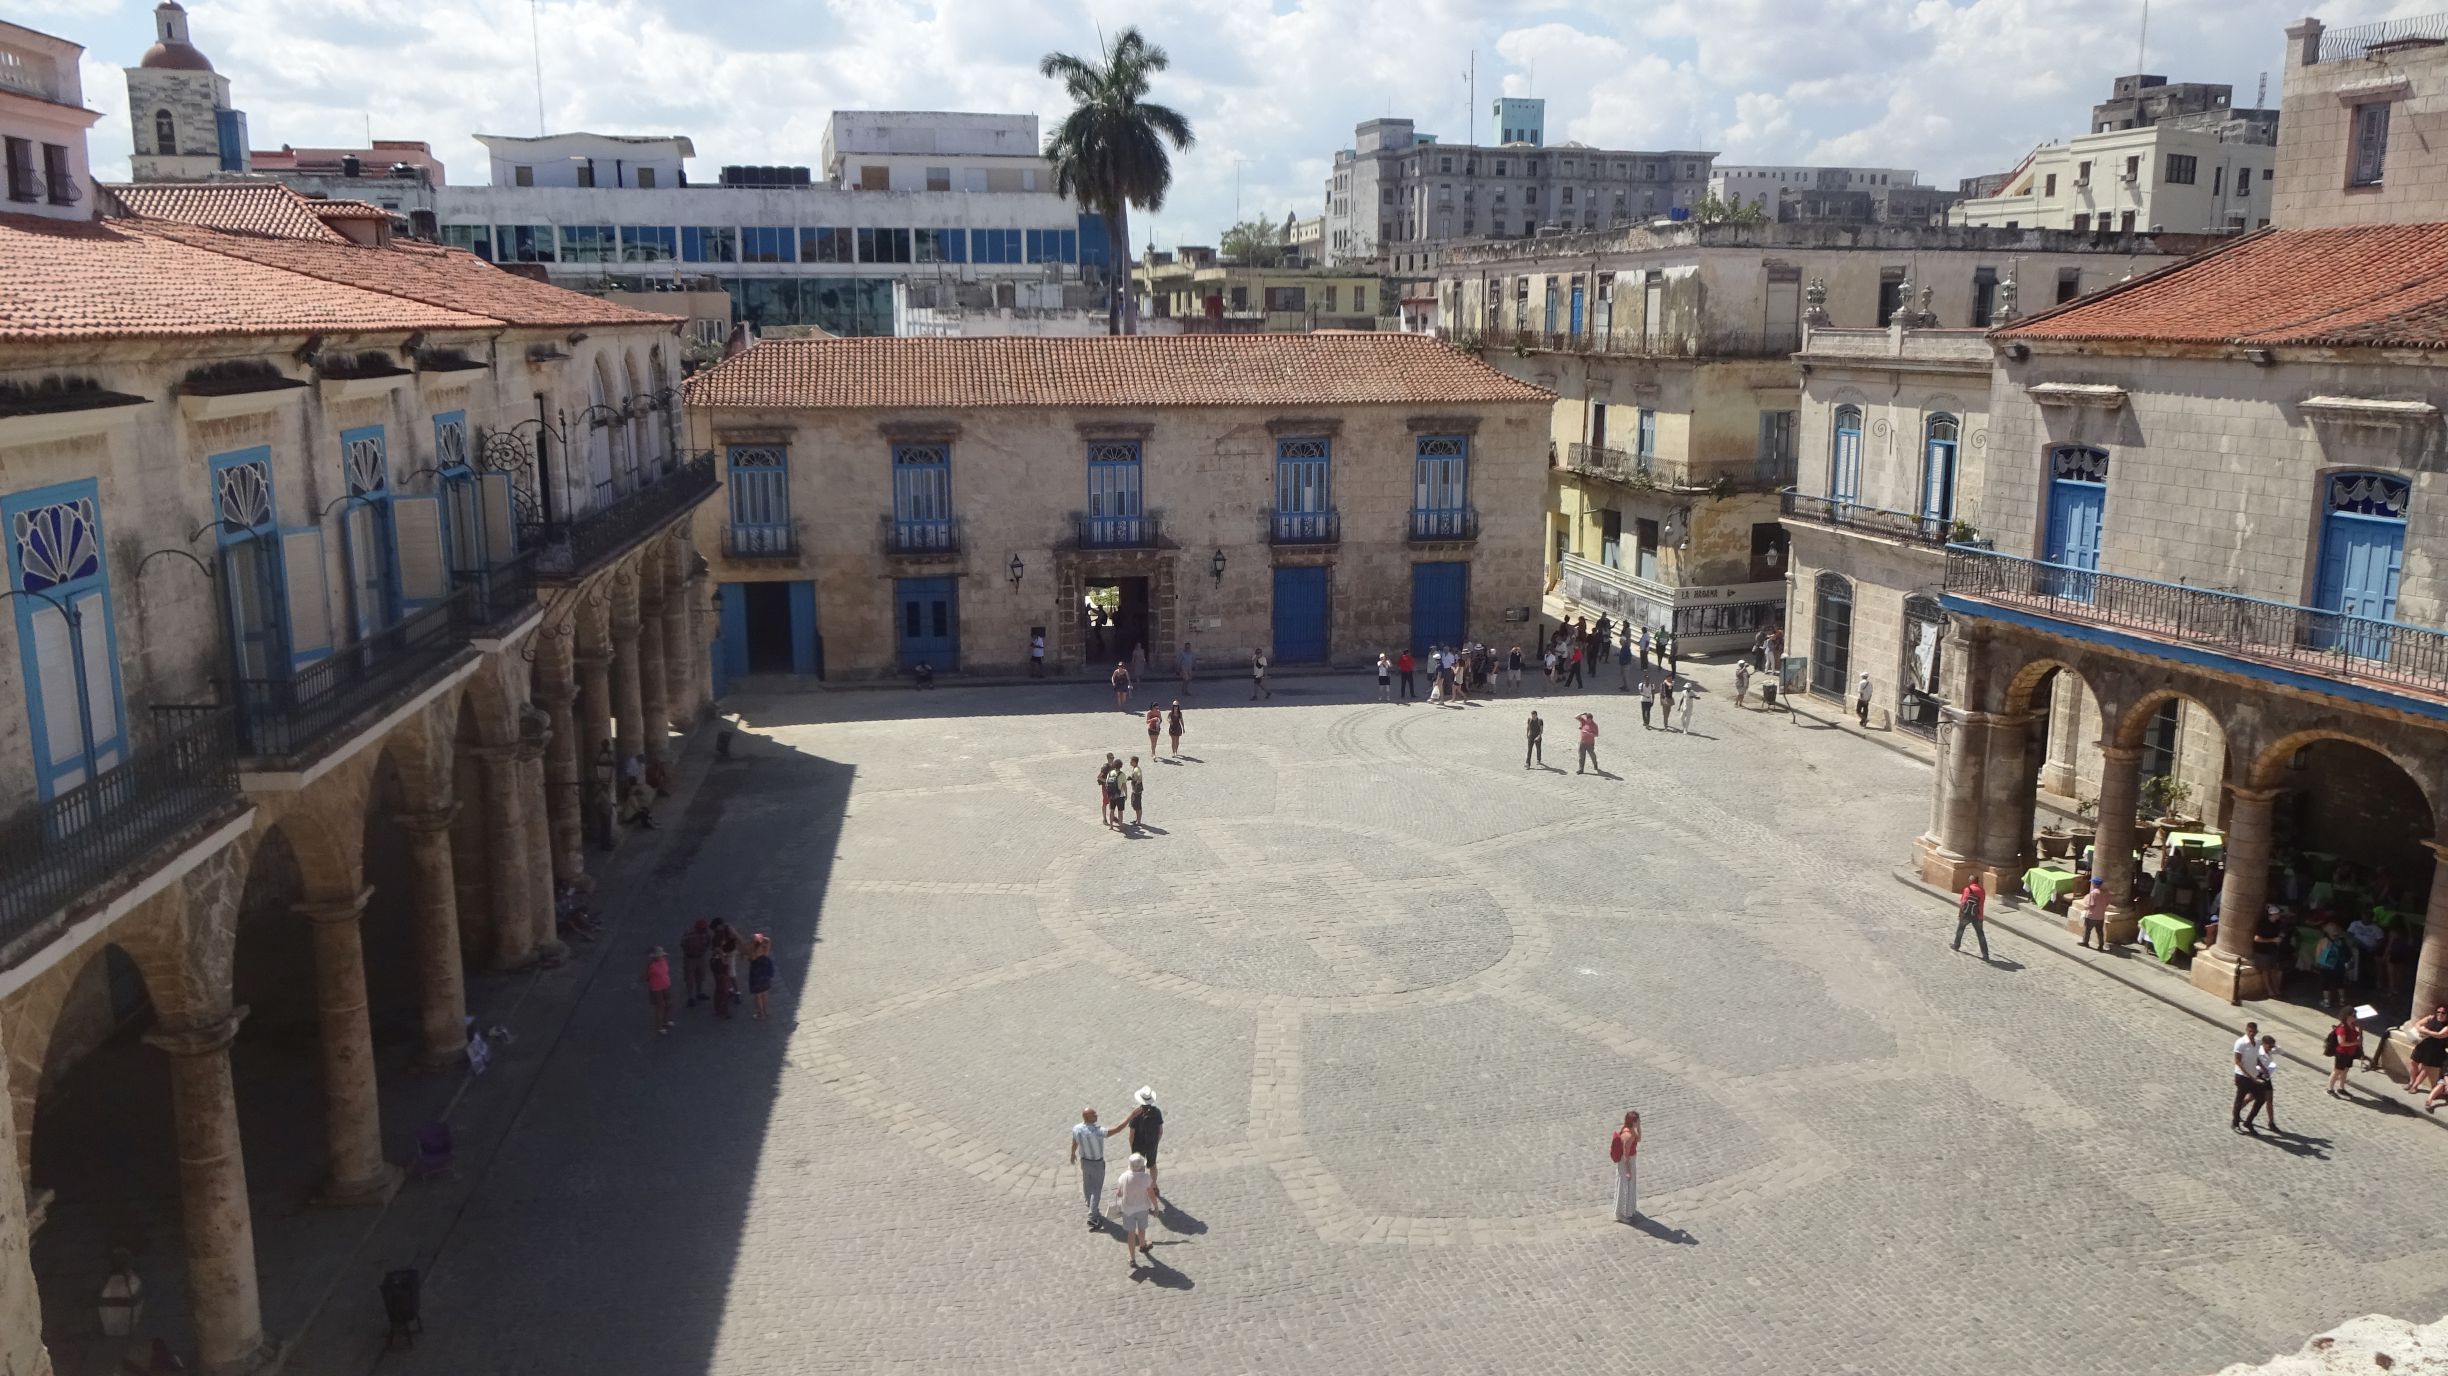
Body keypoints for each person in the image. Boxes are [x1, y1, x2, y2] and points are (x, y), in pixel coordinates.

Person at [1116, 1086, 1164, 1207]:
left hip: (1138, 1145)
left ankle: (1142, 1186)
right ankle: (1153, 1185)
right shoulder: (1157, 1112)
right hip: (1152, 1144)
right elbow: (1160, 1131)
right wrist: (1155, 1142)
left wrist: (1132, 1146)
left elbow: (1131, 1134)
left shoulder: (1136, 1114)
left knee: (1138, 1167)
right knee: (1152, 1165)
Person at [1114, 1152, 1157, 1271]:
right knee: (1142, 1229)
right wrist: (1156, 1207)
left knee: (1131, 1234)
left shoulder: (1123, 1177)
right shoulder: (1146, 1178)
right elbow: (1151, 1193)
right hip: (1142, 1208)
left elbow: (1119, 1193)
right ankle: (1143, 1245)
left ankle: (1132, 1258)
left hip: (1128, 1209)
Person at [1069, 1108, 1111, 1229]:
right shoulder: (1097, 1130)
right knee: (1096, 1189)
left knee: (1087, 1185)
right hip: (1097, 1164)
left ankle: (1090, 1204)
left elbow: (1075, 1141)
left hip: (1085, 1162)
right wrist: (1129, 1118)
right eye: (1094, 1115)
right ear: (1087, 1117)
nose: (1096, 1115)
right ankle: (1092, 1217)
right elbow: (1115, 1130)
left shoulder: (1077, 1128)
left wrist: (1072, 1153)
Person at [2243, 1034, 2281, 1133]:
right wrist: (2261, 1070)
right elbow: (2253, 1063)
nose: (2271, 1048)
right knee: (2250, 1098)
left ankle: (2271, 1123)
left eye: (2272, 1046)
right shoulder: (2258, 1052)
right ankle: (2237, 1111)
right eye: (2270, 1045)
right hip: (2258, 1077)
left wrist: (2274, 1047)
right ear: (2264, 1044)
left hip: (2267, 1077)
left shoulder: (2270, 1050)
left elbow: (2281, 1051)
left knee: (2269, 1100)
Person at [2408, 1005, 2448, 1096]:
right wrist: (2421, 1029)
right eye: (2438, 1012)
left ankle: (2415, 1086)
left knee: (2425, 1069)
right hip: (2423, 1045)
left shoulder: (2447, 1026)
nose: (2440, 1014)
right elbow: (2417, 1024)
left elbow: (2439, 1035)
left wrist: (2425, 1030)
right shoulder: (2431, 1018)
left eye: (2443, 1013)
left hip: (2436, 1049)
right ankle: (2411, 1082)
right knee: (2413, 1062)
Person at [2230, 1020, 2263, 1131]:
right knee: (2239, 1099)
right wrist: (2248, 1074)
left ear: (2256, 1031)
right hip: (2242, 1077)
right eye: (2250, 1031)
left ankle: (2248, 1122)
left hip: (2253, 1076)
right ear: (2246, 1030)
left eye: (2254, 1031)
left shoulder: (2258, 1043)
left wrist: (2262, 1068)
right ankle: (2235, 1122)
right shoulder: (2240, 1043)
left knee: (2261, 1098)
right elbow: (2238, 1061)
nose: (2252, 1033)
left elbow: (2256, 1057)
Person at [1610, 1110, 1641, 1223]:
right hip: (1627, 1163)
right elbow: (1626, 1155)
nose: (1639, 1122)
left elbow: (1639, 1139)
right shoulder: (1628, 1135)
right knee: (1625, 1186)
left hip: (1630, 1161)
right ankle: (1622, 1213)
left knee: (1628, 1186)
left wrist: (1639, 1127)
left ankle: (1628, 1210)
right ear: (1633, 1122)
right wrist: (1628, 1171)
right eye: (1637, 1121)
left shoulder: (1631, 1130)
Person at [2326, 1012, 2364, 1097]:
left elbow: (2354, 1035)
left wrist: (2359, 1035)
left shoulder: (2352, 1026)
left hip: (2350, 1053)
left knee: (2345, 1071)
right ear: (2348, 1017)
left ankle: (2341, 1088)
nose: (2355, 1018)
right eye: (2353, 1016)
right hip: (2342, 1053)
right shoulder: (2342, 1028)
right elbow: (2342, 1043)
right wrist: (2356, 1042)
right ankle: (2330, 1089)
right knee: (2337, 1071)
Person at [1952, 877, 1990, 960]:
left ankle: (1956, 945)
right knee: (1980, 935)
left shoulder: (1968, 889)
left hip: (1967, 915)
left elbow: (1963, 902)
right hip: (1978, 915)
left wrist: (1960, 914)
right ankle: (1985, 954)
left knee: (1960, 930)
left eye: (1969, 879)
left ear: (1971, 881)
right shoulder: (1982, 890)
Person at [680, 919, 711, 1007]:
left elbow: (709, 942)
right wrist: (689, 951)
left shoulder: (706, 934)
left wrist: (703, 950)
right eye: (702, 929)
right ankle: (690, 997)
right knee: (689, 978)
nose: (703, 930)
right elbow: (682, 944)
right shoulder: (689, 933)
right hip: (690, 958)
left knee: (700, 976)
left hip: (700, 957)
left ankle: (699, 992)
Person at [644, 947, 673, 1034]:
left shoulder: (664, 961)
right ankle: (659, 1027)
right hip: (656, 988)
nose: (660, 956)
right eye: (659, 955)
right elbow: (646, 977)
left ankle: (666, 1020)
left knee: (669, 1003)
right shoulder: (651, 966)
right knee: (660, 1007)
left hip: (666, 985)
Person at [747, 933, 776, 1020]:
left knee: (758, 995)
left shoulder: (753, 953)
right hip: (764, 974)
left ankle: (761, 1013)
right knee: (764, 993)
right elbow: (768, 940)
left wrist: (754, 941)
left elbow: (748, 955)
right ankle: (766, 1010)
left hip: (756, 975)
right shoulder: (765, 949)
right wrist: (762, 939)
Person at [2079, 876, 2111, 951]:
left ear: (2094, 884)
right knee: (2100, 932)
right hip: (2100, 916)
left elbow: (2090, 905)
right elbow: (2107, 903)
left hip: (2091, 916)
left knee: (2087, 930)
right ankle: (2101, 945)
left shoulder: (2093, 893)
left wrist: (2085, 907)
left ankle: (2085, 942)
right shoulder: (2105, 893)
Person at [1095, 753, 1120, 825]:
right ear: (1108, 758)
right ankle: (1104, 819)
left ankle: (1113, 816)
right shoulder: (1105, 767)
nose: (1112, 759)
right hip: (1106, 787)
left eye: (1113, 758)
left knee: (1112, 802)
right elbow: (1099, 777)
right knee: (1105, 802)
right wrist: (1107, 781)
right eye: (1111, 758)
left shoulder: (1114, 766)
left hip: (1112, 787)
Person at [1127, 756, 1145, 827]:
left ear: (1134, 762)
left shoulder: (1136, 769)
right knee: (1135, 804)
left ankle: (1139, 821)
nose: (1130, 762)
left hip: (1137, 790)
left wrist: (1137, 784)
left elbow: (1139, 777)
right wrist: (1132, 778)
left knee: (1138, 805)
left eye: (1131, 761)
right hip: (1135, 790)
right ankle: (1137, 819)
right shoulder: (1135, 768)